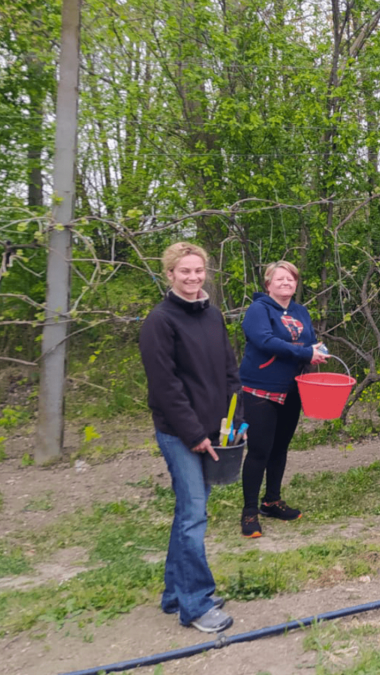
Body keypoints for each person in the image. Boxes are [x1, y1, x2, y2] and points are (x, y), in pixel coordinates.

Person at [139, 242, 237, 633]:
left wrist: (234, 415)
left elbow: (230, 369)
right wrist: (194, 434)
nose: (193, 278)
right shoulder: (159, 322)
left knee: (188, 513)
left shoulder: (212, 316)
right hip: (181, 435)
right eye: (185, 272)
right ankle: (196, 605)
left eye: (198, 271)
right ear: (170, 275)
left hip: (215, 431)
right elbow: (165, 387)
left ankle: (175, 594)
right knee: (194, 515)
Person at [238, 261, 328, 538]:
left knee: (280, 448)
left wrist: (318, 350)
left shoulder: (300, 311)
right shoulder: (258, 310)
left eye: (291, 279)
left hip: (293, 389)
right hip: (260, 390)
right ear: (268, 285)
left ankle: (272, 501)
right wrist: (303, 352)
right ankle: (250, 512)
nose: (286, 283)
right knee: (259, 450)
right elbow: (265, 341)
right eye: (280, 279)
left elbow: (310, 341)